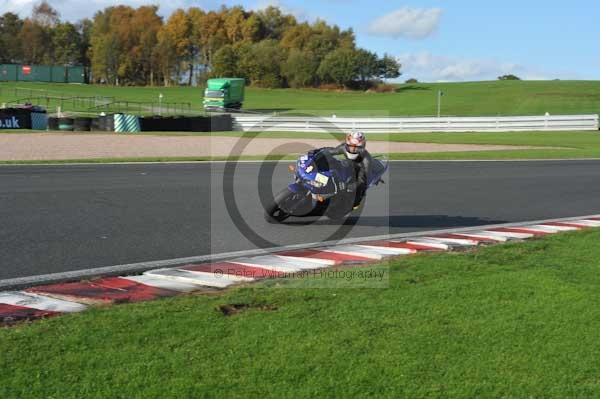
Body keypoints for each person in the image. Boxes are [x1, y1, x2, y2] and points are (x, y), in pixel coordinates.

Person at [321, 131, 372, 208]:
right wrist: (319, 152)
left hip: (359, 171)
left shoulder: (366, 159)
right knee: (332, 162)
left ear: (362, 146)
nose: (353, 149)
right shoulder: (344, 148)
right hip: (348, 165)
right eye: (351, 146)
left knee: (358, 188)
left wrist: (350, 186)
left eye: (356, 147)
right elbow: (332, 151)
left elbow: (363, 180)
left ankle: (355, 203)